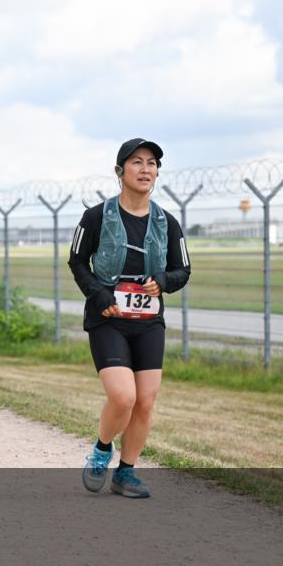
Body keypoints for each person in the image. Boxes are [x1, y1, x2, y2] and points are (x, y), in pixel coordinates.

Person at [69, 138, 191, 498]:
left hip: (149, 321)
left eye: (152, 163)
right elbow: (77, 261)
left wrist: (164, 282)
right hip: (108, 318)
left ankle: (125, 473)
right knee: (123, 397)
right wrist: (98, 291)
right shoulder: (96, 217)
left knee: (146, 400)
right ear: (120, 172)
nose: (145, 169)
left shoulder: (166, 223)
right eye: (137, 162)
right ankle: (102, 449)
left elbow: (183, 269)